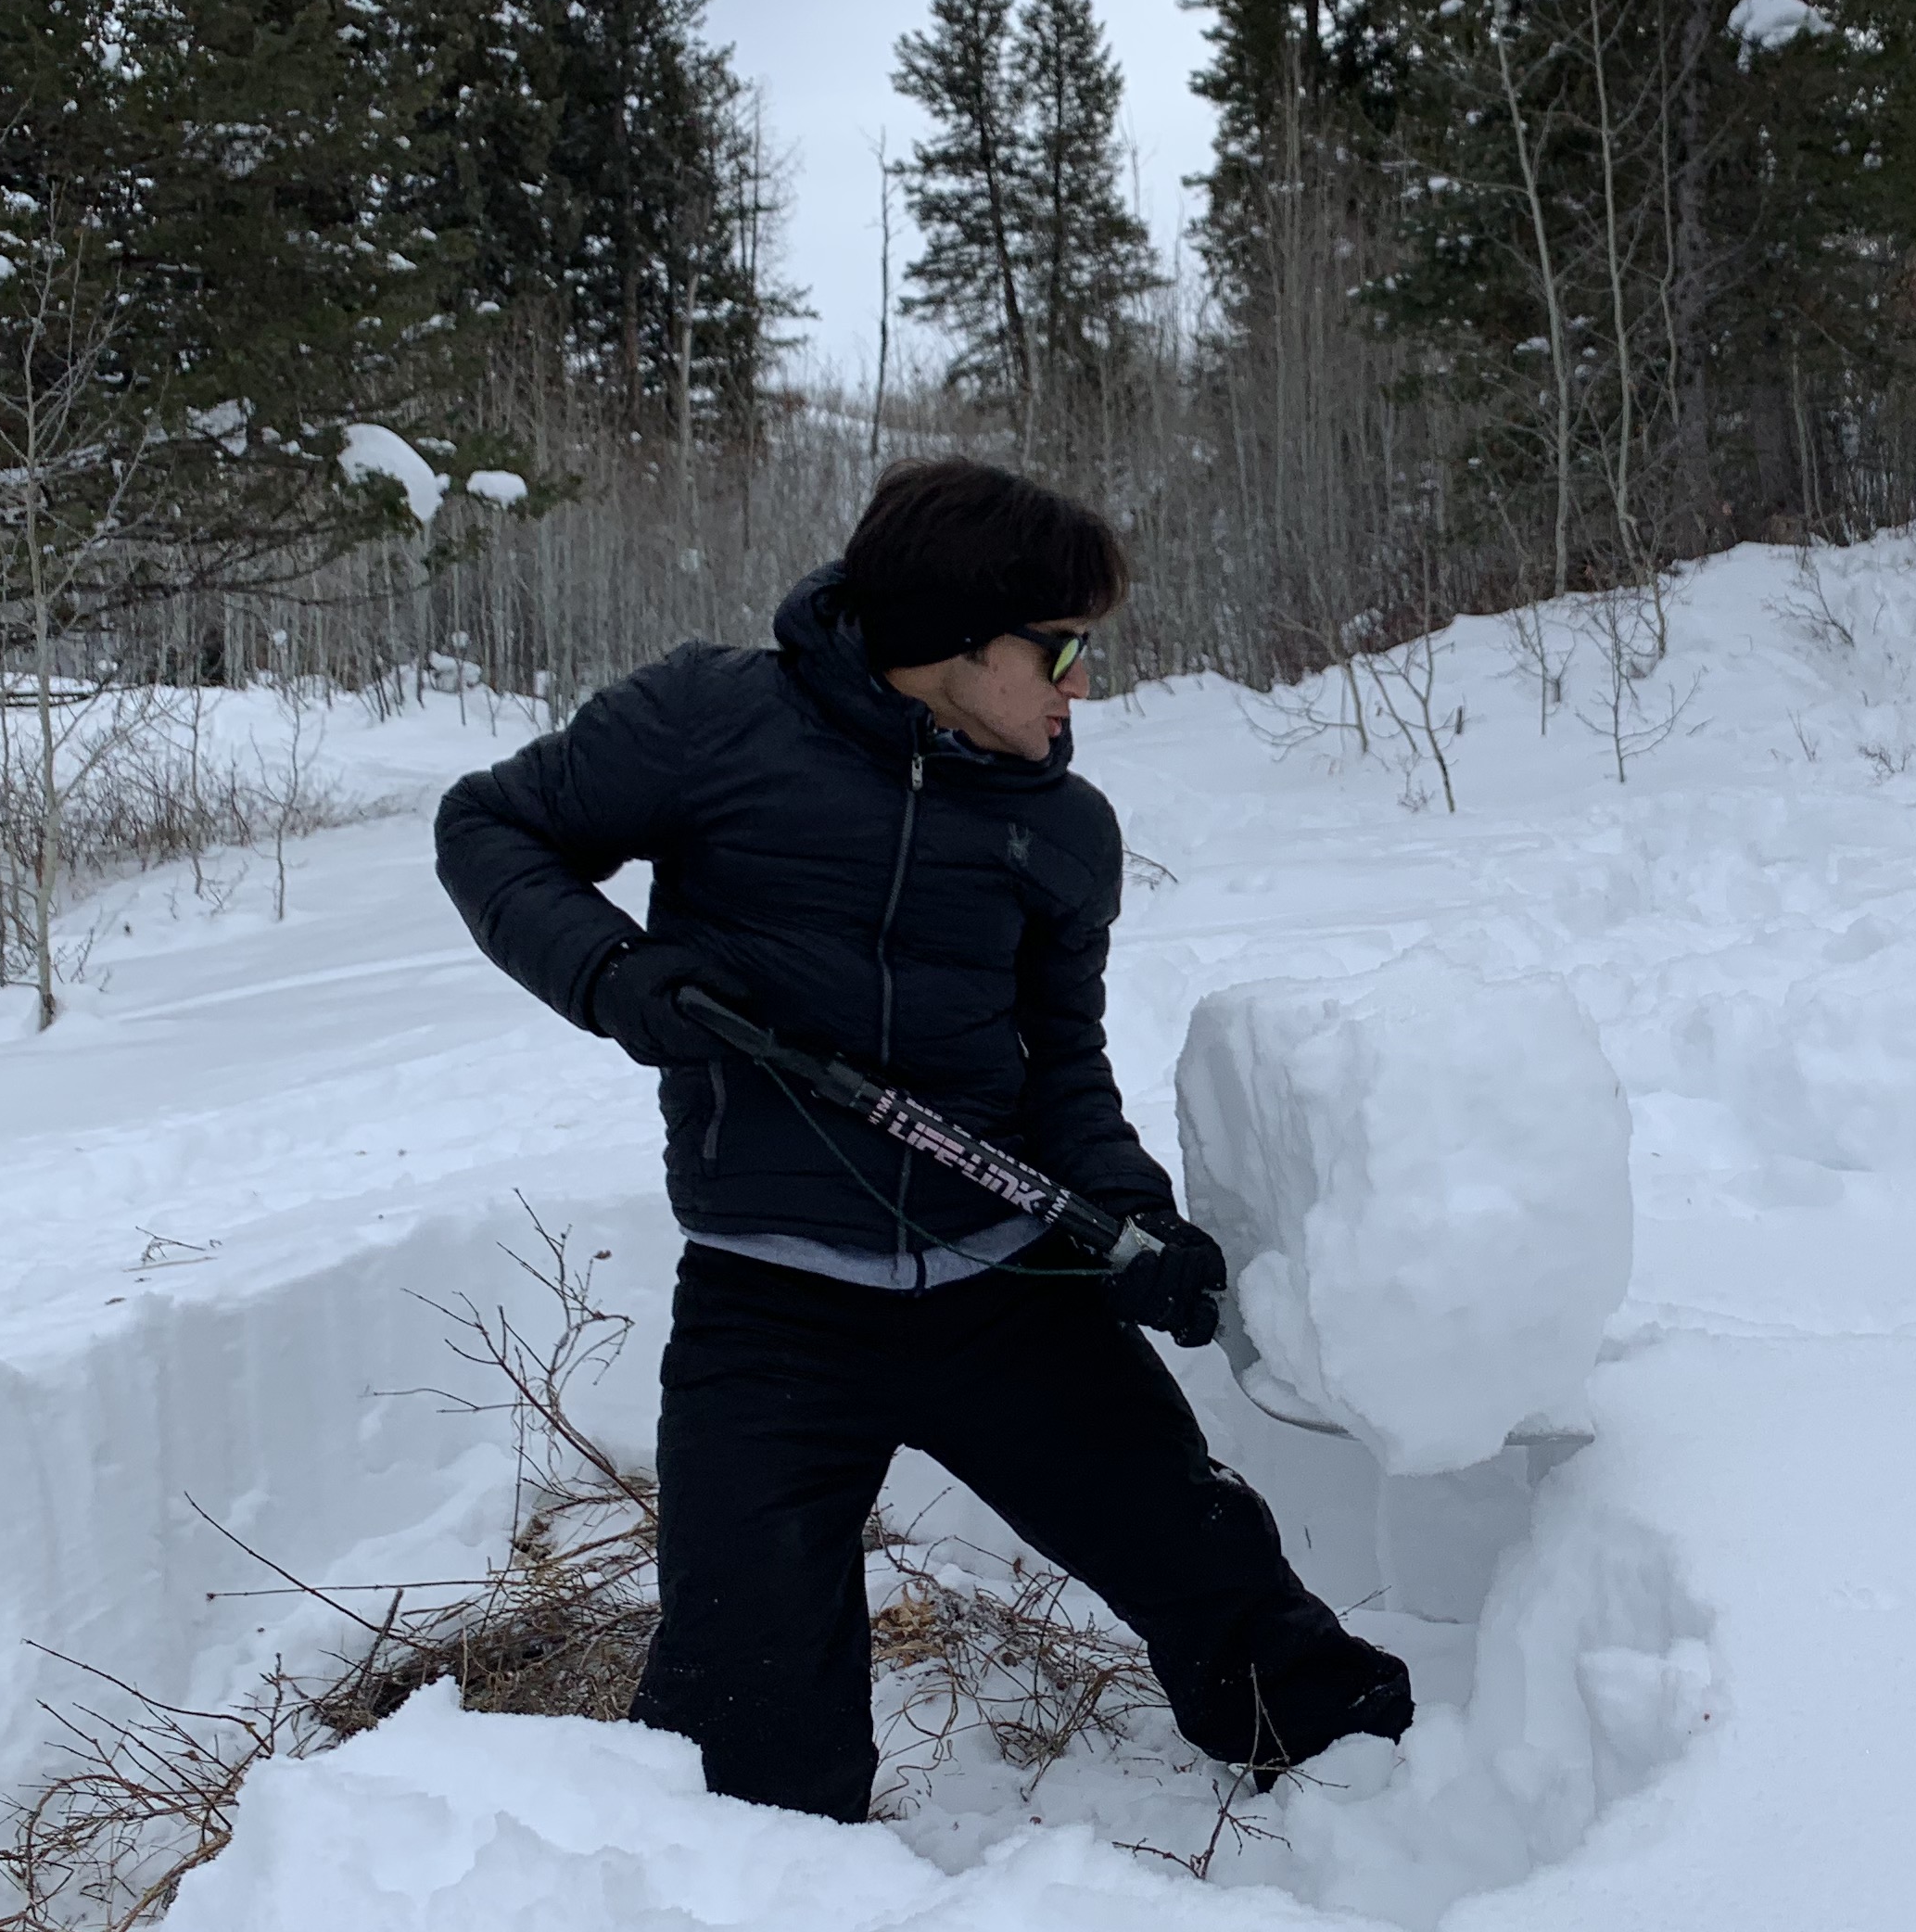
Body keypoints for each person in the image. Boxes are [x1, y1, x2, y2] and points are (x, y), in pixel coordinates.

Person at [435, 457, 1412, 1820]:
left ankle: (1386, 1799)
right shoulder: (708, 724)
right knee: (743, 1726)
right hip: (766, 1309)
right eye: (1062, 649)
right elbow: (490, 828)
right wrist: (611, 974)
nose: (1083, 687)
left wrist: (1129, 1215)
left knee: (1213, 1570)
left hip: (1001, 1283)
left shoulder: (1062, 829)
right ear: (952, 645)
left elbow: (1061, 1060)